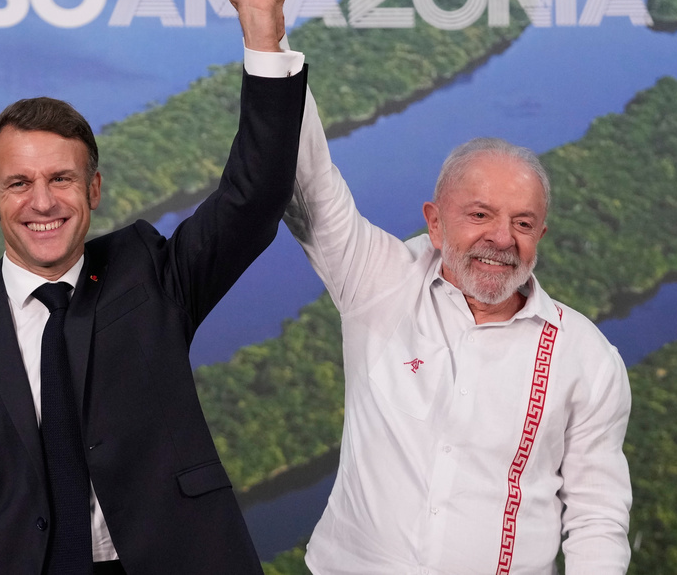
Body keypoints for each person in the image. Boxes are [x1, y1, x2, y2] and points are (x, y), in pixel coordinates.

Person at [0, 0, 306, 575]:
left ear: (94, 189)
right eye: (19, 183)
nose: (42, 202)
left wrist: (262, 28)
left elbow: (253, 196)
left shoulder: (150, 274)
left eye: (62, 179)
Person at [268, 63, 632, 573]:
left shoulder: (587, 358)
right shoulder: (380, 283)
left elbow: (597, 518)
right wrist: (268, 39)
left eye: (522, 223)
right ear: (435, 223)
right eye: (480, 215)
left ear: (540, 238)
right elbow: (307, 184)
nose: (503, 238)